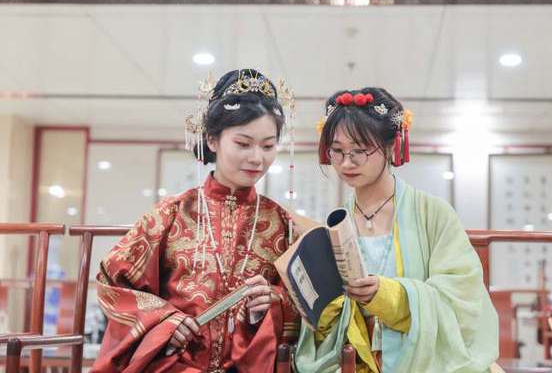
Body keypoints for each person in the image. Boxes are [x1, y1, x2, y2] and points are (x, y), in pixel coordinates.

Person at [91, 69, 299, 373]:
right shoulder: (170, 213)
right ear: (212, 140)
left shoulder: (283, 223)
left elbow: (306, 306)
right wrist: (163, 321)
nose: (257, 158)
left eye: (268, 146)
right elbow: (113, 283)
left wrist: (274, 303)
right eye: (243, 144)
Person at [294, 88, 499, 372]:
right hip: (355, 359)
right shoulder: (335, 223)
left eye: (360, 151)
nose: (346, 163)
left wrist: (391, 295)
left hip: (424, 360)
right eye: (337, 151)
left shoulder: (433, 213)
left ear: (391, 146)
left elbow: (463, 298)